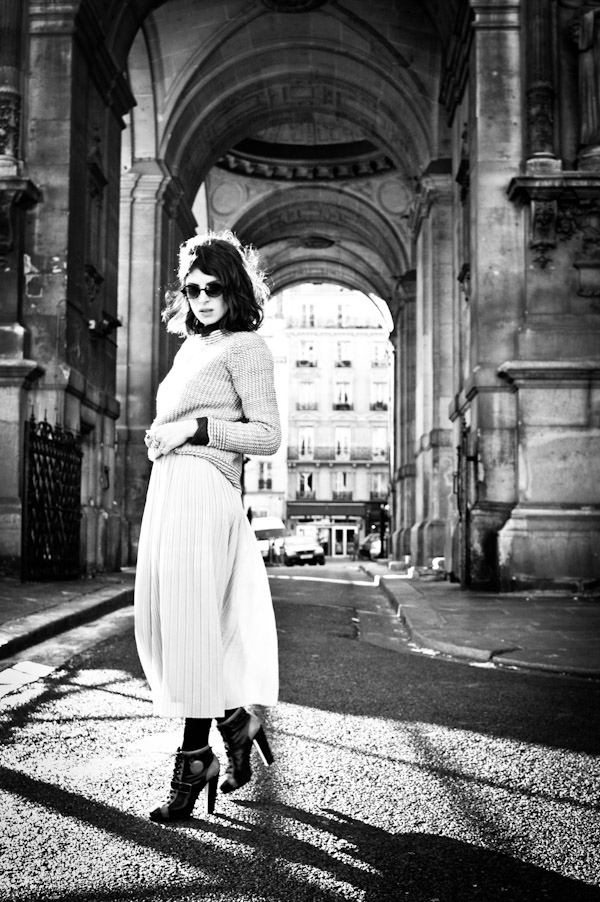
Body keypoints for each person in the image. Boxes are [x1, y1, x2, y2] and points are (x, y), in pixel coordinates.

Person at [134, 230, 281, 822]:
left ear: (234, 287)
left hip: (204, 493)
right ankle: (235, 721)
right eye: (191, 289)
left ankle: (196, 762)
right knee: (176, 625)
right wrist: (161, 437)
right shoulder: (191, 348)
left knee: (193, 626)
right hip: (170, 490)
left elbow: (266, 436)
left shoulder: (247, 347)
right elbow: (179, 417)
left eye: (212, 288)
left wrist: (194, 431)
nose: (200, 298)